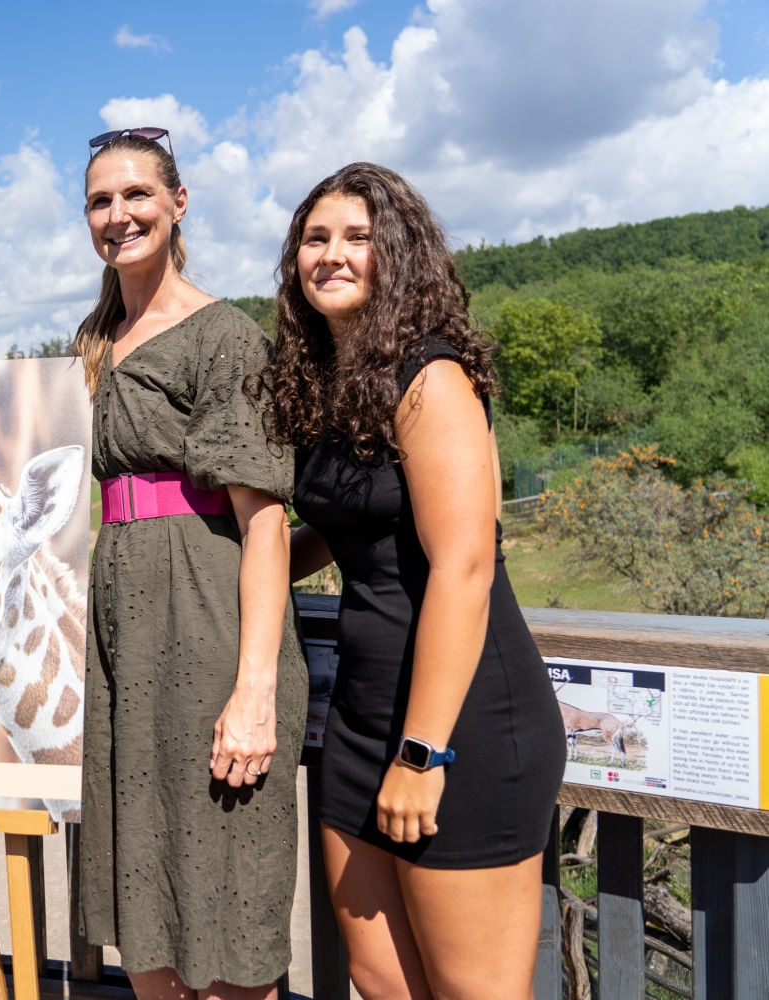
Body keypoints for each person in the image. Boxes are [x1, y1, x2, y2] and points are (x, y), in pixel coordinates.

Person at [266, 163, 565, 1000]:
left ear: (398, 256)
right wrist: (241, 576)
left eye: (358, 238)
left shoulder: (430, 378)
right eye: (315, 239)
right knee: (381, 978)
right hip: (363, 715)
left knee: (471, 991)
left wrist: (423, 753)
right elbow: (343, 520)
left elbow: (464, 568)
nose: (332, 255)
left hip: (461, 722)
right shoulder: (337, 385)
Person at [75, 128, 308, 1000]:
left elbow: (266, 525)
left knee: (224, 902)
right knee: (151, 904)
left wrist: (254, 691)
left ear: (179, 203)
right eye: (100, 200)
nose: (119, 214)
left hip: (208, 627)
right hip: (125, 640)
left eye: (137, 194)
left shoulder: (226, 338)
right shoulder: (95, 341)